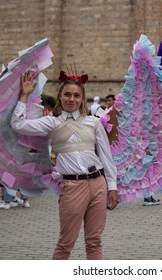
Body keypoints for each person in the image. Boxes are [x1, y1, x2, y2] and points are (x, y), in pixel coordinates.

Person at [11, 70, 118, 260]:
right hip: (72, 186)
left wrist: (112, 186)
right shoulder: (51, 123)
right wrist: (24, 95)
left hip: (98, 184)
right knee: (65, 243)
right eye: (67, 94)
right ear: (60, 96)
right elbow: (17, 125)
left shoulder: (93, 123)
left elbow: (106, 156)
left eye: (77, 95)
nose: (72, 99)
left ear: (82, 98)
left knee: (94, 242)